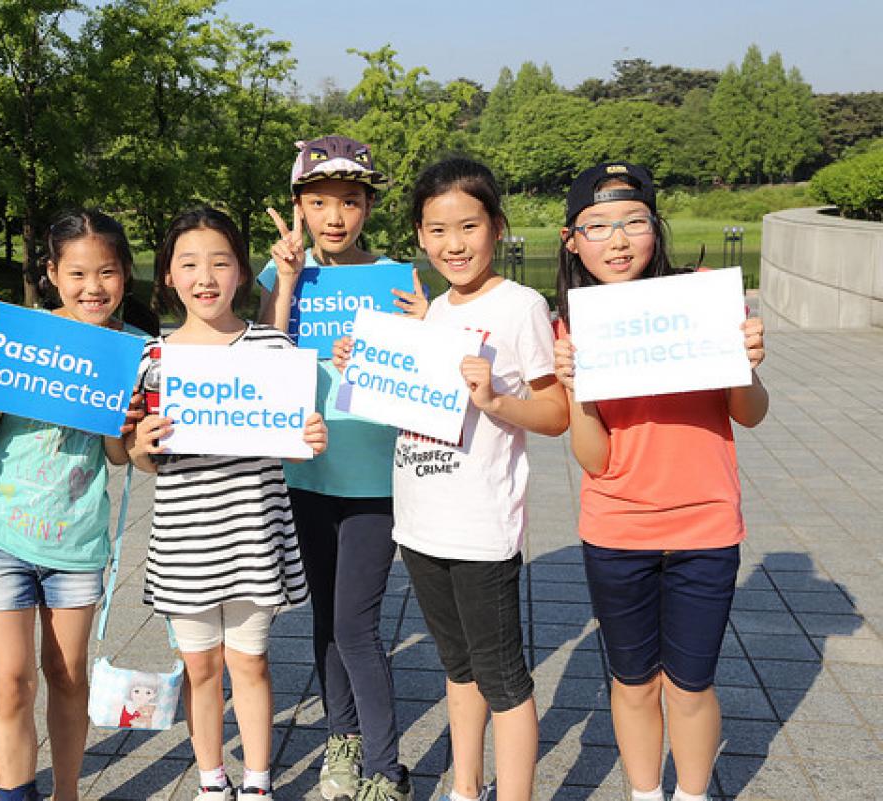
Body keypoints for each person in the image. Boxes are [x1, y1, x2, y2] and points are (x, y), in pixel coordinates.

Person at [333, 158, 569, 801]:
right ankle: (466, 787)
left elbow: (555, 413)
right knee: (457, 669)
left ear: (496, 227)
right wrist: (362, 364)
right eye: (437, 230)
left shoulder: (522, 307)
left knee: (502, 677)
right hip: (419, 520)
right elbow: (404, 395)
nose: (454, 243)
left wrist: (496, 402)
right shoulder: (432, 312)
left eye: (469, 225)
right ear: (419, 234)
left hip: (480, 527)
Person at [552, 162, 769, 801]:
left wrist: (746, 361)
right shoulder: (570, 325)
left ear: (655, 227)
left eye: (633, 222)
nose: (617, 240)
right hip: (617, 530)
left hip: (706, 524)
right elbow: (592, 459)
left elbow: (750, 414)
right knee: (633, 682)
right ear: (572, 240)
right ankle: (646, 792)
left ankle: (693, 793)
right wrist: (578, 391)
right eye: (597, 227)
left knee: (691, 684)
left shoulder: (701, 296)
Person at [129, 207, 328, 801]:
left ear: (242, 272)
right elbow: (142, 459)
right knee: (202, 671)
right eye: (189, 263)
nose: (205, 276)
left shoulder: (272, 347)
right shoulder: (154, 360)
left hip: (253, 538)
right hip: (185, 542)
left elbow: (289, 441)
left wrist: (308, 439)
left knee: (251, 666)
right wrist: (139, 447)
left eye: (220, 262)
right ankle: (212, 781)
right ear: (167, 275)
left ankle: (259, 782)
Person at [0, 209, 151, 801]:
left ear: (124, 275)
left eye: (108, 272)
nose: (93, 287)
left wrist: (121, 421)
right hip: (0, 532)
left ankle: (66, 792)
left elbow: (118, 458)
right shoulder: (22, 336)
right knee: (11, 682)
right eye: (77, 273)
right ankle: (14, 793)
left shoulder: (134, 351)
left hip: (77, 541)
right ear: (51, 273)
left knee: (68, 680)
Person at [258, 135, 422, 801]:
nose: (334, 216)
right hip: (305, 478)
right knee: (326, 617)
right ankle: (342, 744)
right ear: (298, 205)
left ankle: (386, 768)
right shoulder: (280, 275)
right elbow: (264, 356)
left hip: (377, 479)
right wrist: (289, 277)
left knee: (358, 624)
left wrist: (397, 347)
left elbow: (423, 368)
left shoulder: (397, 276)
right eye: (319, 201)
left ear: (368, 206)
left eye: (349, 202)